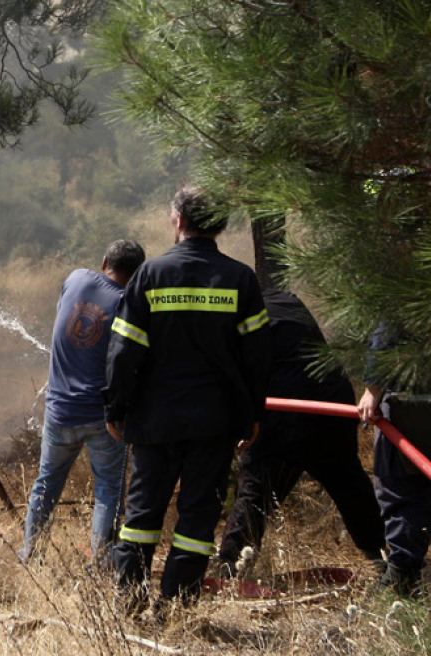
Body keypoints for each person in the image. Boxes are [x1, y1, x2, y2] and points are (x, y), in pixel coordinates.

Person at [103, 185, 271, 612]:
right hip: (214, 423)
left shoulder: (150, 275)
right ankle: (177, 607)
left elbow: (124, 352)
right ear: (218, 225)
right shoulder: (240, 279)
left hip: (155, 420)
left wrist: (116, 407)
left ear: (178, 221)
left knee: (141, 518)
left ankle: (130, 604)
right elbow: (257, 357)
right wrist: (254, 413)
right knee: (197, 520)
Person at [217, 288, 385, 575]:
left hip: (284, 411)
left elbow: (233, 373)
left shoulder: (234, 315)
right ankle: (383, 557)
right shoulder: (285, 300)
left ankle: (229, 568)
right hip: (331, 401)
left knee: (256, 488)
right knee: (348, 482)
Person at [20, 239, 147, 566]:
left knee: (46, 483)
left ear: (105, 261)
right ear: (138, 274)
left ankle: (31, 556)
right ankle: (101, 564)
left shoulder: (76, 278)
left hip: (59, 410)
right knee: (107, 491)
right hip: (102, 418)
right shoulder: (128, 303)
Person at [358, 324, 431, 596]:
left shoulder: (405, 284)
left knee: (400, 487)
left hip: (411, 401)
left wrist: (373, 387)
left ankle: (402, 575)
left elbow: (390, 316)